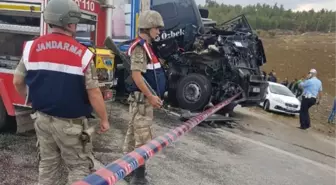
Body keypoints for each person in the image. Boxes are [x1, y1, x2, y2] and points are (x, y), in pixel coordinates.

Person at [12, 0, 110, 184]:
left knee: (48, 166)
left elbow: (17, 81)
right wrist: (104, 119)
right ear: (70, 23)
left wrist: (31, 100)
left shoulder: (31, 47)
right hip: (71, 125)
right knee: (78, 168)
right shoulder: (83, 54)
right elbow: (94, 92)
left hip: (42, 119)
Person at [122, 10, 166, 185]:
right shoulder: (140, 48)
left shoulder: (147, 47)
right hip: (142, 102)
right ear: (148, 28)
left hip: (143, 101)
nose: (159, 32)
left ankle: (127, 170)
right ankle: (138, 177)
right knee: (142, 138)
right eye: (157, 28)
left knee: (133, 136)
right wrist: (150, 96)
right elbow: (137, 75)